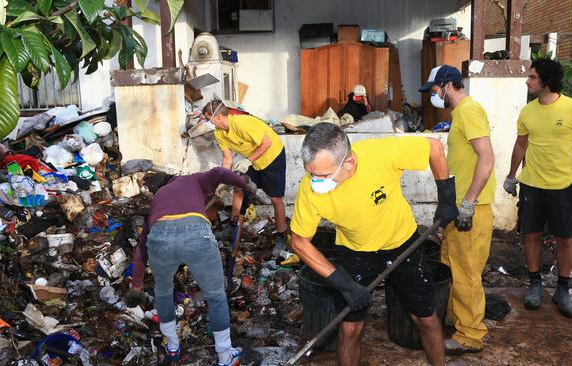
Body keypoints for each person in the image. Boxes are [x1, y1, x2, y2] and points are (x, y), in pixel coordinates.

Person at [290, 122, 458, 366]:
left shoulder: (380, 153)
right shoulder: (310, 190)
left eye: (323, 176)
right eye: (310, 173)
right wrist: (343, 283)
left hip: (402, 244)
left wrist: (446, 197)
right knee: (349, 330)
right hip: (355, 252)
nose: (315, 182)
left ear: (348, 163)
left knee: (427, 320)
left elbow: (433, 148)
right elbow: (299, 241)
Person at [504, 58, 572, 318]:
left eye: (532, 77)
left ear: (545, 81)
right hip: (532, 185)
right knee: (531, 235)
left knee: (565, 238)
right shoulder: (528, 111)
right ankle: (535, 284)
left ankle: (563, 289)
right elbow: (521, 145)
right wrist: (512, 176)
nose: (527, 81)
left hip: (564, 185)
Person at [130, 167, 246, 365]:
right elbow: (219, 172)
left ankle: (172, 346)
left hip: (160, 236)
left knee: (163, 291)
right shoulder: (193, 179)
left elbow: (142, 245)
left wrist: (137, 283)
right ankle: (225, 355)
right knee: (216, 296)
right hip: (195, 233)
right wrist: (244, 184)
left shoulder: (160, 196)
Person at [419, 65, 496, 354]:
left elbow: (486, 158)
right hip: (459, 208)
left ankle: (471, 335)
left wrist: (469, 203)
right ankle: (455, 319)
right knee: (450, 265)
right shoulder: (460, 115)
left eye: (435, 90)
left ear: (448, 85)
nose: (434, 96)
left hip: (471, 209)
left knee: (466, 273)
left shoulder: (469, 111)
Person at [202, 100, 288, 255]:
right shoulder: (219, 132)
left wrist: (248, 160)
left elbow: (266, 143)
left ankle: (281, 236)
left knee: (275, 199)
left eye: (209, 119)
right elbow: (227, 159)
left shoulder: (242, 124)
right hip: (252, 160)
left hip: (272, 155)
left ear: (218, 117)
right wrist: (220, 182)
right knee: (239, 189)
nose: (208, 122)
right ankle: (233, 228)